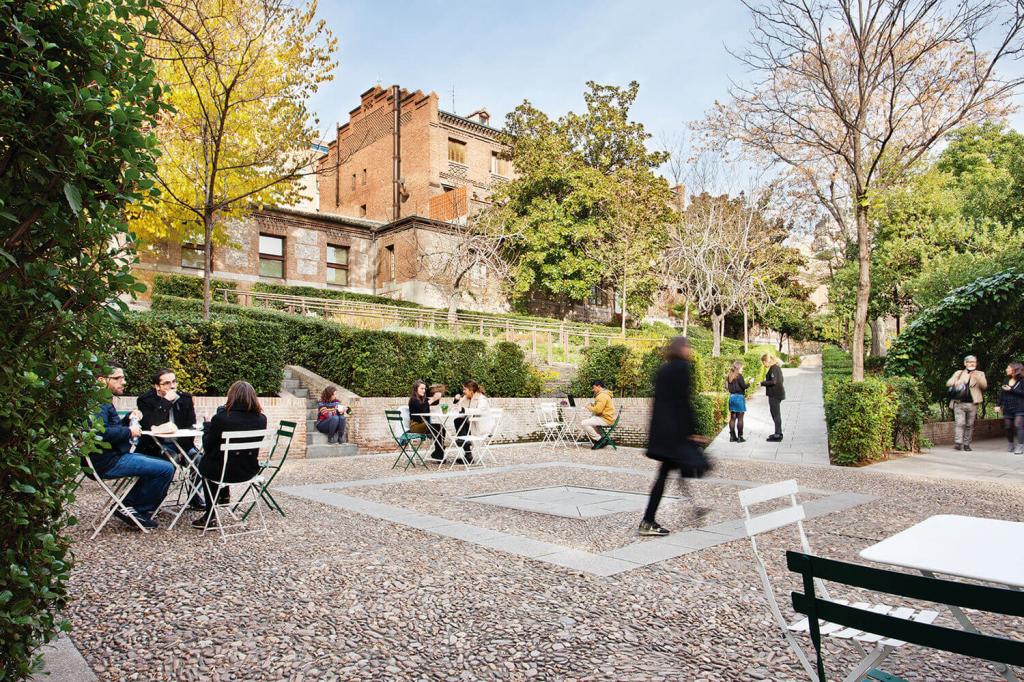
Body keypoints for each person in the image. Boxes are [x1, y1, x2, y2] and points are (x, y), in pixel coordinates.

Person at [640, 336, 711, 536]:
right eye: (688, 346)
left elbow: (658, 402)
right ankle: (648, 520)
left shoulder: (663, 369)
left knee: (666, 474)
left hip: (663, 431)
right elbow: (684, 402)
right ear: (681, 349)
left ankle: (691, 508)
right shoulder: (682, 368)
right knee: (668, 474)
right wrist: (694, 431)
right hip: (675, 433)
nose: (689, 350)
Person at [93, 364, 175, 530]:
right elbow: (99, 434)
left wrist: (127, 419)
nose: (123, 382)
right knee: (166, 468)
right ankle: (133, 508)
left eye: (123, 378)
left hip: (113, 456)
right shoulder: (98, 404)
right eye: (117, 378)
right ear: (102, 380)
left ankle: (131, 506)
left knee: (159, 463)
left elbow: (109, 429)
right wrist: (129, 431)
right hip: (108, 461)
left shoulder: (103, 401)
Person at [193, 381, 267, 528]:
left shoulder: (221, 418)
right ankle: (224, 494)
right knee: (221, 462)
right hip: (248, 471)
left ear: (231, 396)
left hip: (222, 472)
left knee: (205, 464)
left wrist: (207, 425)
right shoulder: (261, 419)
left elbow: (208, 446)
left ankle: (210, 515)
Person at [137, 368, 198, 459]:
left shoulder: (185, 399)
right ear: (157, 386)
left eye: (174, 382)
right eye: (167, 383)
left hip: (182, 445)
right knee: (171, 458)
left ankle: (193, 473)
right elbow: (151, 425)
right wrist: (166, 402)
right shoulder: (145, 400)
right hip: (156, 446)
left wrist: (182, 450)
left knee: (199, 459)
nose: (172, 386)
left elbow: (190, 426)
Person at [946, 355, 988, 451]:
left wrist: (976, 377)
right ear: (965, 363)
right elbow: (948, 383)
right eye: (969, 362)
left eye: (974, 362)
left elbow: (984, 386)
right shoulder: (959, 373)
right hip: (959, 403)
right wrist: (956, 381)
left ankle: (967, 444)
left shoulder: (980, 374)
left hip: (973, 404)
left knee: (969, 425)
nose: (972, 363)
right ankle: (958, 443)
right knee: (960, 423)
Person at [452, 380, 492, 464]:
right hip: (470, 424)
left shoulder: (482, 399)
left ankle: (465, 445)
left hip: (480, 427)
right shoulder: (467, 398)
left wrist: (464, 410)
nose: (463, 392)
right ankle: (467, 451)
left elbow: (479, 411)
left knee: (460, 422)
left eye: (465, 389)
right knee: (458, 420)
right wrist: (456, 401)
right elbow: (458, 410)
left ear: (471, 390)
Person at [408, 380, 446, 461]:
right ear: (416, 389)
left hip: (425, 425)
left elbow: (435, 403)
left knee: (441, 427)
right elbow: (421, 407)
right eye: (421, 388)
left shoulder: (424, 399)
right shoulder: (413, 400)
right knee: (437, 427)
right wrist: (432, 399)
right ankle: (439, 453)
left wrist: (438, 395)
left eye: (424, 389)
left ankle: (439, 452)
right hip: (415, 426)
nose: (424, 390)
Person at [996, 362, 1024, 455]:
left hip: (1020, 407)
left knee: (1018, 425)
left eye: (1008, 368)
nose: (1006, 369)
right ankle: (1011, 444)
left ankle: (1020, 446)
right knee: (1008, 426)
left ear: (1014, 369)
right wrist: (998, 405)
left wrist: (1011, 390)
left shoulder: (1022, 381)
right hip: (1008, 407)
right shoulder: (1006, 380)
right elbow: (1002, 394)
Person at [582, 380, 616, 449]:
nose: (593, 390)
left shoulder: (602, 396)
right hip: (606, 417)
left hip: (605, 419)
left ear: (599, 386)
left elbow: (598, 410)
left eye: (594, 387)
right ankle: (603, 438)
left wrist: (588, 407)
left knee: (584, 423)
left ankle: (599, 440)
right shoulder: (604, 394)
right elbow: (600, 407)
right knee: (591, 420)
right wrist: (593, 404)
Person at [760, 354, 786, 442]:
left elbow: (774, 381)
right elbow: (781, 380)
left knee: (776, 414)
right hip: (777, 393)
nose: (763, 365)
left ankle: (778, 435)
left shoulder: (774, 368)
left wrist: (762, 383)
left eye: (763, 362)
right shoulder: (776, 367)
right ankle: (778, 432)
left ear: (766, 361)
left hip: (775, 394)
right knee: (775, 413)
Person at [726, 361, 748, 443]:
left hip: (732, 398)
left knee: (732, 417)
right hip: (739, 398)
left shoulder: (729, 376)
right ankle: (740, 437)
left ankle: (732, 436)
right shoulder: (739, 376)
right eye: (742, 368)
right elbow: (744, 386)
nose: (742, 369)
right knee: (740, 418)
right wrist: (749, 383)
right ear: (738, 368)